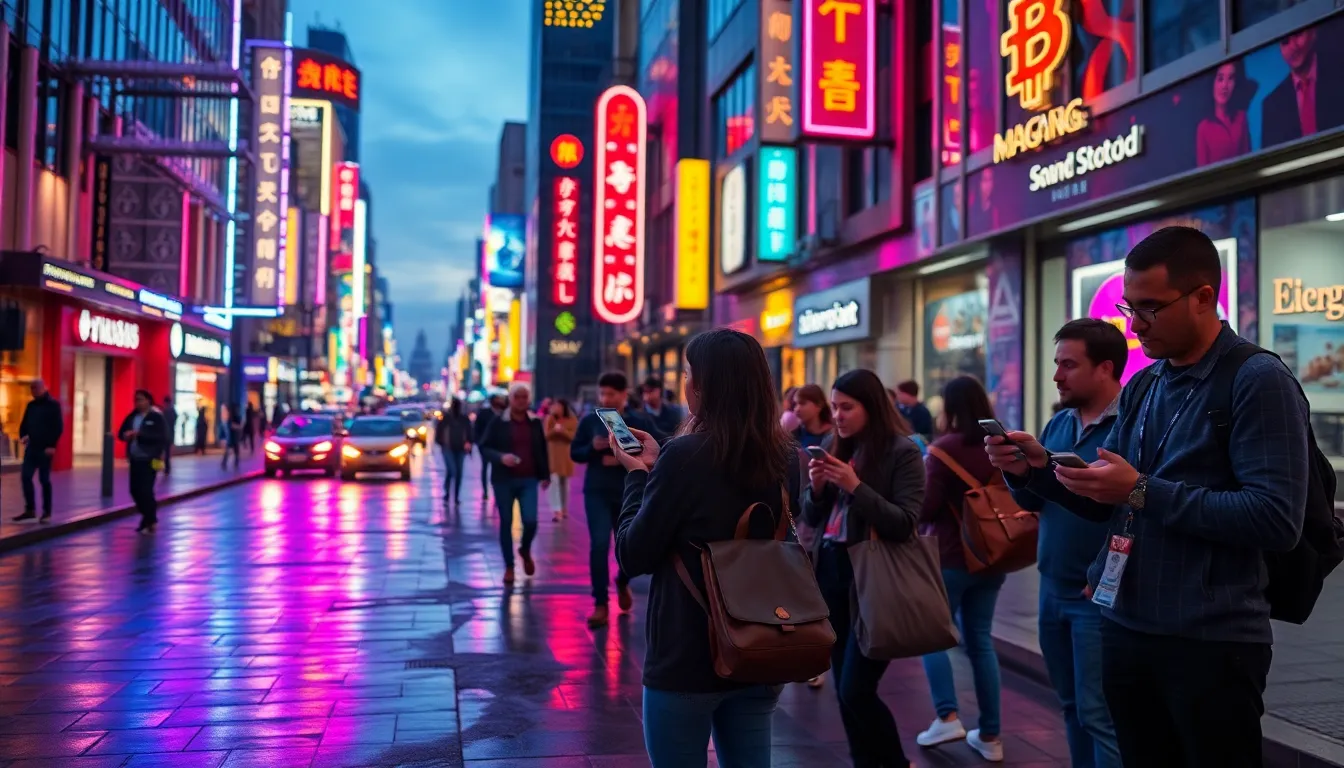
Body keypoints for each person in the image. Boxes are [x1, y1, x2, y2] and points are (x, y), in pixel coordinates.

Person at [986, 226, 1310, 767]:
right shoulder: (1145, 383)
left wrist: (1140, 490)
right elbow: (1104, 497)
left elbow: (1275, 519)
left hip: (1210, 640)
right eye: (1128, 307)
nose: (1135, 325)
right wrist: (1038, 470)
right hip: (1126, 624)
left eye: (1151, 308)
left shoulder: (1257, 379)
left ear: (1205, 296)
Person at [612, 328, 801, 766]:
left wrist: (639, 477)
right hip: (762, 645)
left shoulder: (684, 456)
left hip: (687, 656)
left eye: (687, 374)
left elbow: (633, 553)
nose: (685, 383)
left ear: (705, 385)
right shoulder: (785, 456)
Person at [1009, 318, 1125, 768]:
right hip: (1051, 588)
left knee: (1100, 715)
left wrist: (1109, 580)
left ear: (1105, 369)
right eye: (1057, 364)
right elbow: (1033, 498)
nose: (1057, 375)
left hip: (1094, 597)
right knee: (1073, 708)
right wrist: (1016, 470)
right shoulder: (1058, 424)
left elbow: (1132, 512)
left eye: (1069, 365)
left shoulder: (1129, 426)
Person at [802, 368, 924, 768]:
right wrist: (817, 489)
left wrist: (855, 486)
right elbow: (812, 516)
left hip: (874, 579)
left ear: (871, 406)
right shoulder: (833, 444)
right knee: (843, 688)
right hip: (832, 573)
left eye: (847, 407)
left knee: (857, 688)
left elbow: (904, 522)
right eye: (834, 407)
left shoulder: (902, 452)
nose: (838, 415)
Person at [915, 375, 1007, 761]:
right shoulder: (1001, 446)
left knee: (932, 635)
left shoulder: (943, 449)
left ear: (950, 408)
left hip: (951, 557)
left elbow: (928, 506)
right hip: (993, 555)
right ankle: (991, 736)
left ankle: (947, 714)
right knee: (980, 641)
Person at [570, 372, 664, 628]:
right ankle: (600, 603)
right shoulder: (591, 421)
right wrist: (592, 448)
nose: (605, 398)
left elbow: (661, 444)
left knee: (629, 544)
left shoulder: (637, 421)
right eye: (603, 393)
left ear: (624, 394)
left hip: (628, 491)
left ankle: (622, 581)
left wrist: (628, 453)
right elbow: (575, 453)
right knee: (599, 545)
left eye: (611, 393)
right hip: (597, 492)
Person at [479, 383, 551, 585]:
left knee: (531, 521)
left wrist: (545, 474)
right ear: (510, 399)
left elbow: (541, 449)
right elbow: (484, 447)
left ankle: (525, 549)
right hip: (504, 480)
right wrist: (501, 457)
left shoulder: (535, 422)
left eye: (524, 397)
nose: (521, 400)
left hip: (529, 479)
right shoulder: (498, 422)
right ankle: (509, 566)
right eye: (517, 397)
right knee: (506, 522)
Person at [118, 389, 168, 534]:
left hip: (152, 459)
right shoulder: (133, 416)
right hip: (135, 458)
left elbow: (162, 437)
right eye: (136, 400)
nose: (138, 403)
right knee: (134, 490)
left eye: (141, 399)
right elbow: (121, 432)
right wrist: (125, 435)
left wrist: (140, 435)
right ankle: (150, 518)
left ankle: (148, 520)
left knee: (146, 490)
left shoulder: (156, 416)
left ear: (148, 400)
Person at [15, 380, 62, 524]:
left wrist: (52, 445)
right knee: (25, 476)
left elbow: (58, 427)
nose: (33, 391)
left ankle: (46, 512)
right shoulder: (31, 406)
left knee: (44, 479)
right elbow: (24, 424)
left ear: (43, 388)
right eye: (31, 389)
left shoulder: (53, 406)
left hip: (45, 449)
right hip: (32, 447)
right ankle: (30, 509)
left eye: (35, 388)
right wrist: (23, 435)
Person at [544, 399, 579, 521]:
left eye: (558, 406)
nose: (556, 408)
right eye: (554, 406)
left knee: (564, 483)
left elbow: (574, 436)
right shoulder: (550, 419)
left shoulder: (572, 420)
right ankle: (556, 510)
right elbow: (546, 435)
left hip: (566, 455)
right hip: (553, 454)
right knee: (554, 481)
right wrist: (555, 430)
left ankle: (564, 508)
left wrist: (563, 431)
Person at [435, 398, 473, 504]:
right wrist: (442, 443)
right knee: (453, 471)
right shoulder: (446, 419)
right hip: (448, 449)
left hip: (461, 449)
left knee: (457, 473)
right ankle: (447, 493)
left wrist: (469, 443)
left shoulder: (464, 419)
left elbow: (470, 433)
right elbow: (438, 434)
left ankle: (455, 496)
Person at [474, 395, 505, 500]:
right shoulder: (484, 413)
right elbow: (477, 427)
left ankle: (496, 490)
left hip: (499, 445)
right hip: (485, 445)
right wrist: (479, 441)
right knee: (485, 467)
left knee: (496, 468)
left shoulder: (503, 413)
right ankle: (485, 491)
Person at [221, 403, 243, 470]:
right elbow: (235, 426)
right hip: (233, 437)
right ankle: (227, 463)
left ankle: (226, 463)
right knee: (233, 451)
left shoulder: (232, 417)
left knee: (232, 451)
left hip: (232, 436)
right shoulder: (234, 417)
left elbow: (233, 425)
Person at [161, 395, 177, 476]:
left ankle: (159, 468)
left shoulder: (165, 412)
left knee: (160, 453)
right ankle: (167, 469)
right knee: (166, 453)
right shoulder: (173, 411)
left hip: (164, 435)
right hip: (170, 435)